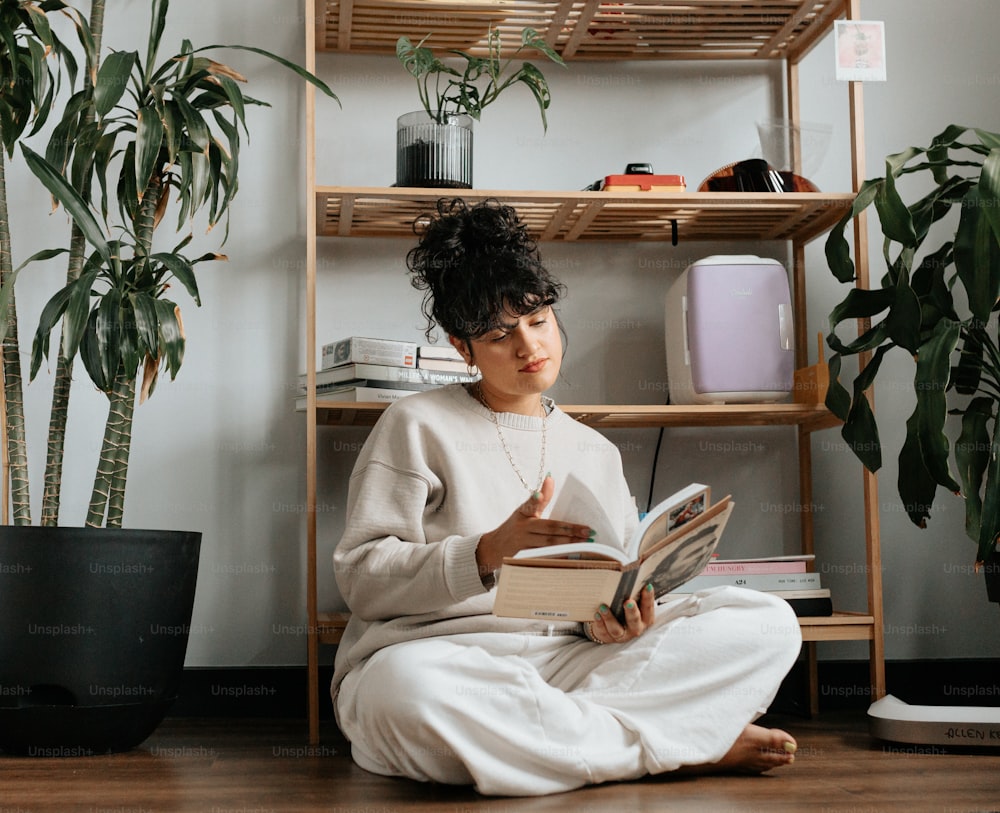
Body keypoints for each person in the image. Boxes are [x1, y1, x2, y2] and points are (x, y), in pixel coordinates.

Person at [331, 198, 803, 797]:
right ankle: (680, 744)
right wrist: (484, 554)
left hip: (570, 667)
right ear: (461, 347)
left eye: (539, 321)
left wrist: (613, 623)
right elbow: (362, 579)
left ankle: (594, 742)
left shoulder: (594, 451)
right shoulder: (415, 424)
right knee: (407, 695)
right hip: (442, 659)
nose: (529, 346)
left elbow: (600, 591)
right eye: (500, 335)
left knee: (766, 621)